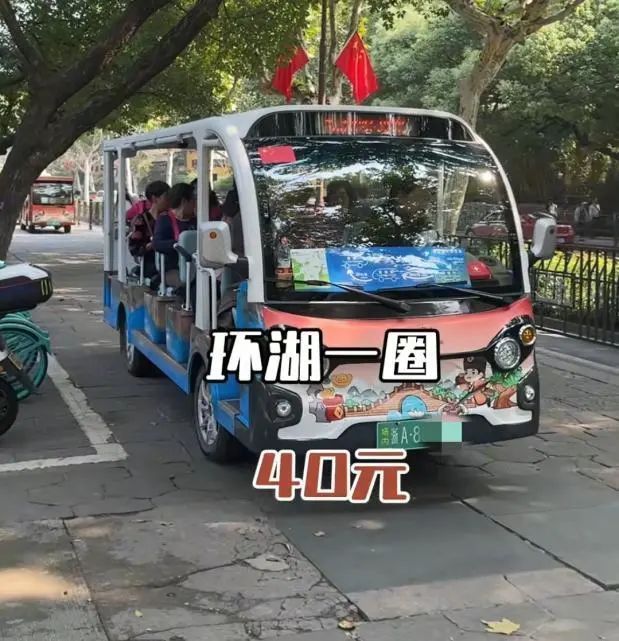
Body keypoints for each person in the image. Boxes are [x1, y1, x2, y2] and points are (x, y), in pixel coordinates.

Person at [153, 183, 197, 288]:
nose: (195, 204)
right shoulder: (165, 219)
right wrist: (177, 245)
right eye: (193, 200)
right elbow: (157, 243)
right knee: (191, 284)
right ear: (184, 201)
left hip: (195, 266)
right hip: (173, 269)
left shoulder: (195, 220)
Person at [127, 181, 170, 278]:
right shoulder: (141, 220)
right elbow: (134, 249)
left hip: (169, 263)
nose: (169, 200)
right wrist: (150, 246)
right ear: (155, 199)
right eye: (166, 196)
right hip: (151, 265)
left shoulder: (170, 218)